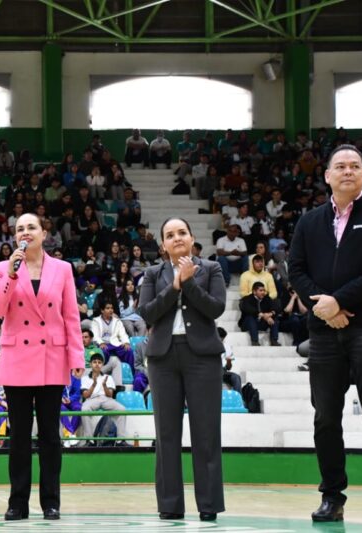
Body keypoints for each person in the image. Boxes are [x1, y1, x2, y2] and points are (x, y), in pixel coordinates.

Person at [288, 144, 362, 527]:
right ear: (327, 176)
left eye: (355, 166)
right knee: (325, 419)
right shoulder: (309, 222)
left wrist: (337, 302)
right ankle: (331, 496)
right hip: (323, 334)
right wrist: (325, 308)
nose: (347, 171)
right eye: (340, 166)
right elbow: (296, 270)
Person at [0, 213, 85, 521]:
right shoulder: (4, 267)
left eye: (31, 227)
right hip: (17, 358)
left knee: (50, 437)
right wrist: (11, 275)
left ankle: (51, 502)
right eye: (19, 229)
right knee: (18, 437)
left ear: (43, 233)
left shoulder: (63, 269)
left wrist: (77, 357)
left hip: (51, 358)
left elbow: (71, 316)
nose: (25, 232)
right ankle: (17, 502)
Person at [139, 217, 227, 522]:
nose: (177, 238)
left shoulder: (212, 269)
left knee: (206, 433)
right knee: (166, 435)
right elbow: (147, 312)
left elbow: (215, 308)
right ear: (162, 245)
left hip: (203, 357)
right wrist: (175, 285)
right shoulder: (152, 274)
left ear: (191, 238)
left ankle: (209, 505)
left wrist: (188, 281)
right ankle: (170, 504)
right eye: (170, 235)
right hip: (163, 357)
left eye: (182, 233)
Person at [80, 353, 126, 444]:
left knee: (122, 409)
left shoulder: (108, 377)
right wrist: (93, 385)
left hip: (106, 399)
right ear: (90, 364)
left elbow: (110, 395)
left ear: (102, 364)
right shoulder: (85, 378)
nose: (97, 364)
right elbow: (85, 395)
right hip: (92, 399)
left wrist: (104, 386)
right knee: (84, 409)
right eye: (94, 362)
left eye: (99, 362)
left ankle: (121, 440)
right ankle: (89, 440)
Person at [238, 281, 281, 347]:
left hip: (261, 323)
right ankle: (255, 341)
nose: (263, 292)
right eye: (260, 290)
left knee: (275, 318)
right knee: (250, 317)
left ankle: (274, 340)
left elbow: (277, 308)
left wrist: (270, 314)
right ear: (254, 292)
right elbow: (249, 309)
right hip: (247, 324)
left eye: (264, 290)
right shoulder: (247, 299)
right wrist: (263, 315)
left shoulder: (267, 298)